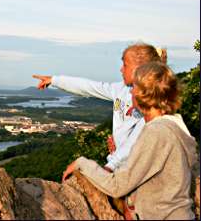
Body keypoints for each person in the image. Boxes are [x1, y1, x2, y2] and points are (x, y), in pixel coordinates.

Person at [62, 62, 198, 220]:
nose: (131, 91)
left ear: (143, 94)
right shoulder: (174, 125)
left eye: (134, 87)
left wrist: (81, 163)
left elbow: (117, 186)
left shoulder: (156, 132)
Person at [33, 42, 167, 172]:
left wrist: (111, 165)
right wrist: (55, 80)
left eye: (125, 65)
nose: (121, 69)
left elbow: (137, 139)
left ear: (139, 69)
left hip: (135, 170)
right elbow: (90, 87)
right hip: (121, 165)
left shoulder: (151, 100)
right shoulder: (121, 89)